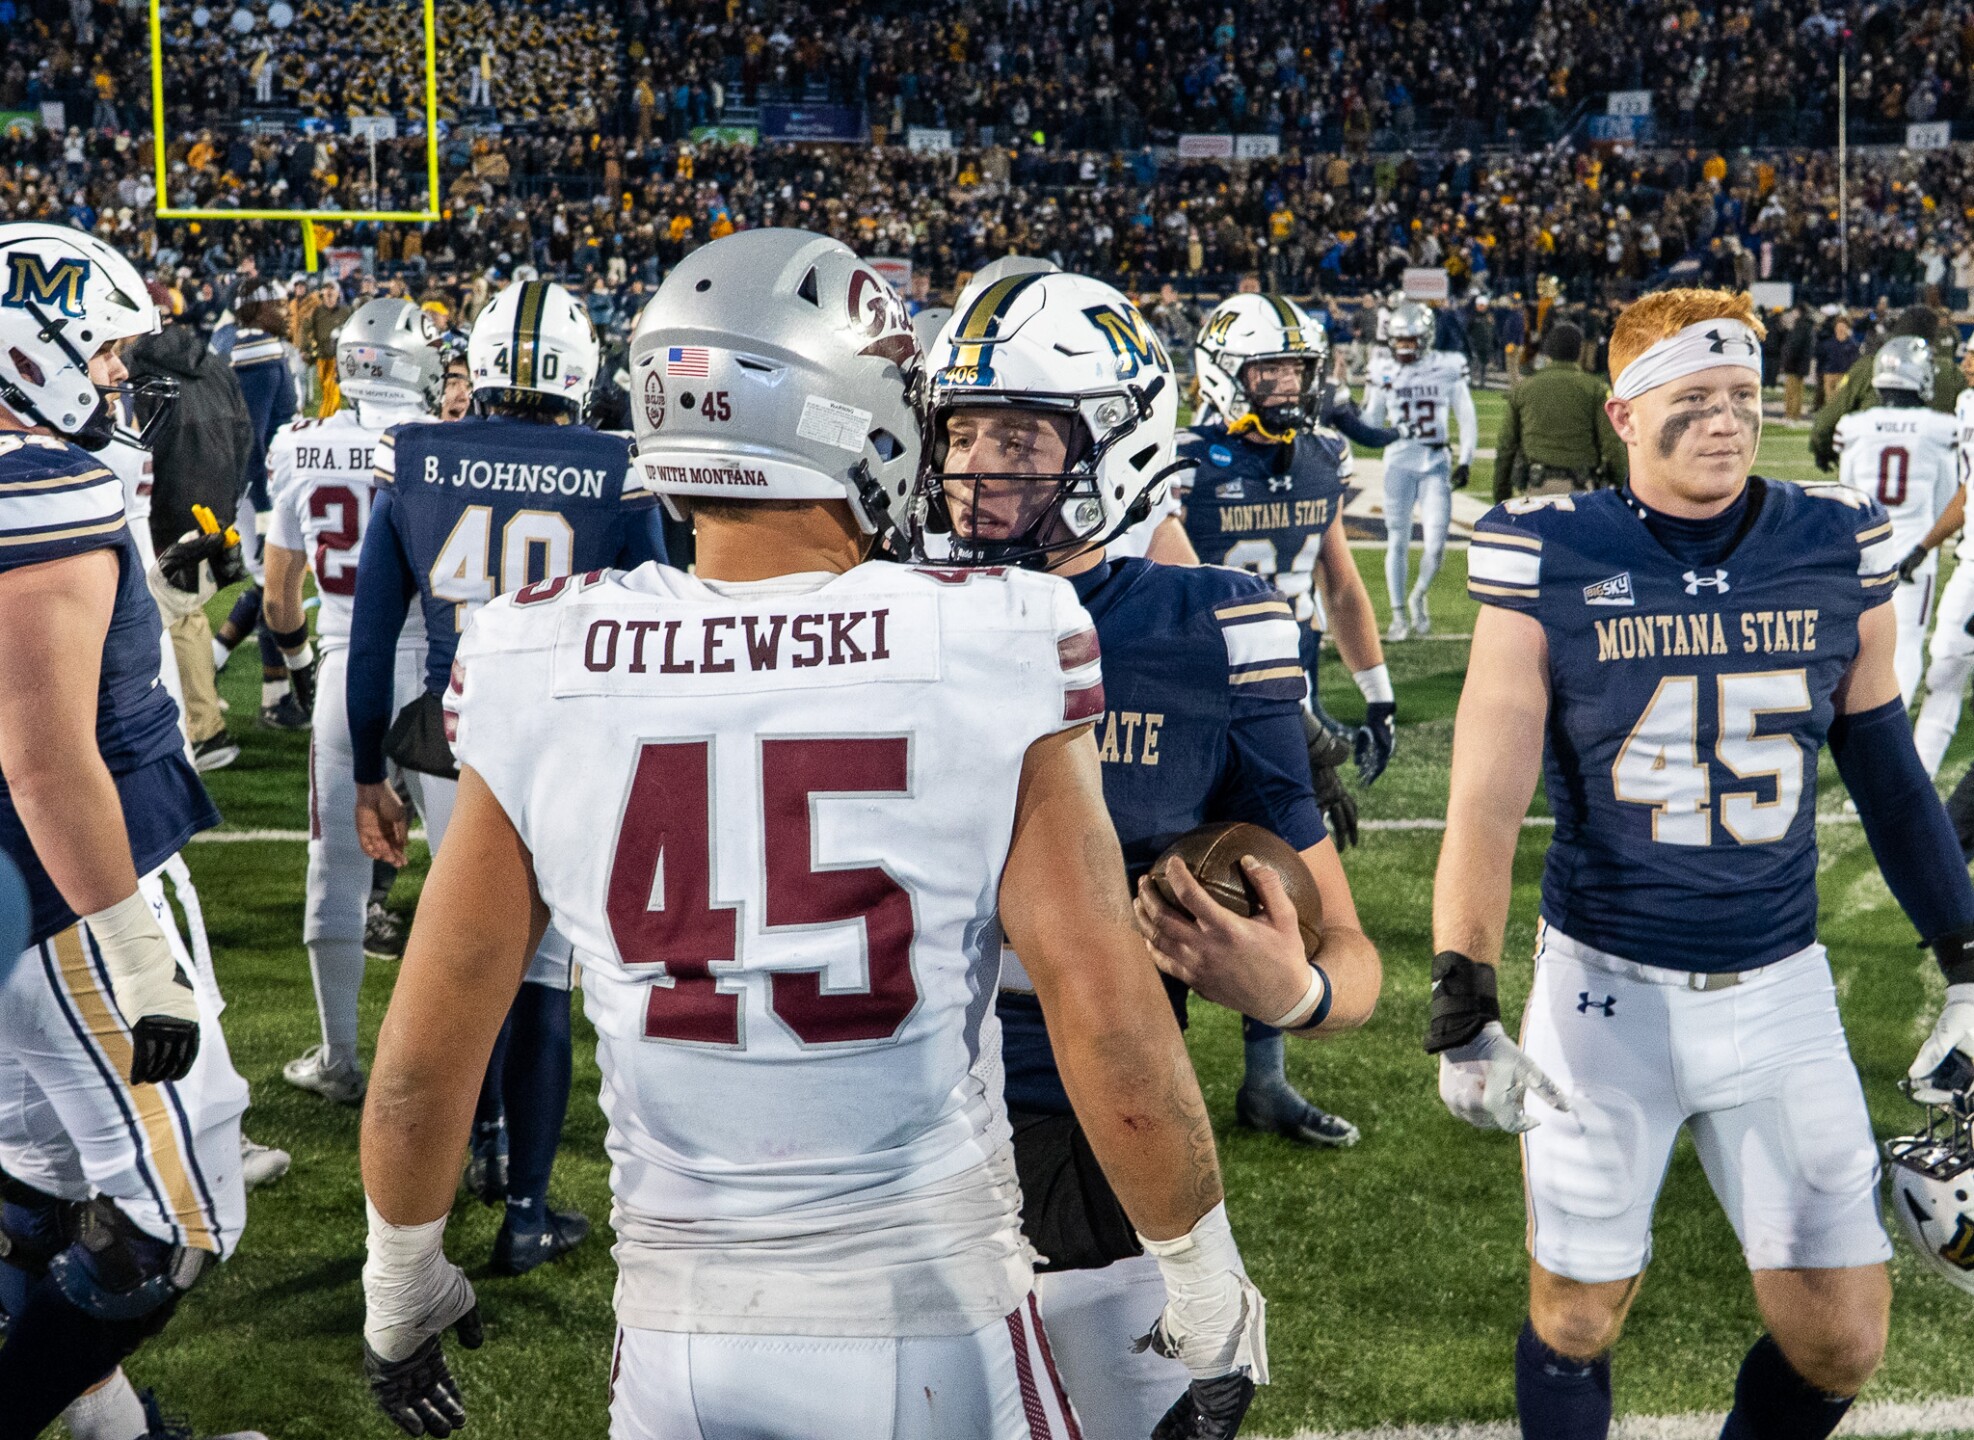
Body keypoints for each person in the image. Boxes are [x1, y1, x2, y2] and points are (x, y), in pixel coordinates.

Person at [357, 229, 1264, 1440]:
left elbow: (423, 1061)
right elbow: (1111, 1030)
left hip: (676, 1342)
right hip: (927, 1318)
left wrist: (401, 1283)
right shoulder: (994, 633)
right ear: (864, 418)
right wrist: (1205, 1288)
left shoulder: (538, 650)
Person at [1431, 286, 1974, 1440]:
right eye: (1694, 400)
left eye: (1740, 397)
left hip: (1781, 987)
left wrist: (1967, 955)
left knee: (1842, 1338)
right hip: (1604, 990)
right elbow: (1485, 792)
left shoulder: (1830, 545)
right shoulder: (1550, 552)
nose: (1726, 421)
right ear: (1625, 414)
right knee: (1578, 1317)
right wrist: (1463, 991)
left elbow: (1886, 768)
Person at [923, 265, 1379, 1436]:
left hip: (1097, 1133)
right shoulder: (877, 607)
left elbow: (1352, 960)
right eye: (960, 432)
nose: (976, 470)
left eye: (1020, 438)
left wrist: (1299, 988)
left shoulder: (1208, 629)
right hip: (887, 1131)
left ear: (1118, 441)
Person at [346, 277, 667, 1275]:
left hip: (454, 737)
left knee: (463, 950)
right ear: (582, 372)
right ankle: (527, 1206)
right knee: (538, 973)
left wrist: (367, 773)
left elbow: (370, 645)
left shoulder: (416, 458)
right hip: (571, 742)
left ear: (475, 367)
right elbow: (663, 615)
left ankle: (480, 1147)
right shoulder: (621, 469)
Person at [0, 223, 253, 1438]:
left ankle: (115, 1430)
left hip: (16, 902)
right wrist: (136, 948)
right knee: (176, 1216)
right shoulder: (38, 488)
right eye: (98, 352)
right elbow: (47, 760)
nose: (116, 378)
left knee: (37, 1177)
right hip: (65, 889)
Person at [1178, 290, 1395, 1147]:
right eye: (1267, 369)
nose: (1285, 387)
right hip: (1190, 697)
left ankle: (1266, 1082)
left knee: (1278, 891)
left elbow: (1338, 583)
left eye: (1296, 370)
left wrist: (1374, 692)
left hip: (1279, 708)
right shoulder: (1178, 461)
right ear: (1225, 372)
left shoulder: (1321, 456)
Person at [264, 298, 442, 1110]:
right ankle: (476, 1078)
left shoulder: (299, 446)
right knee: (479, 868)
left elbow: (277, 599)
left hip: (345, 669)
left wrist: (297, 667)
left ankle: (341, 1056)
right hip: (445, 676)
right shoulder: (441, 444)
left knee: (334, 869)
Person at [125, 291, 254, 772]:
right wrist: (223, 506)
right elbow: (244, 436)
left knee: (163, 622)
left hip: (160, 512)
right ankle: (202, 724)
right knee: (188, 618)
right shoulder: (214, 363)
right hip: (211, 509)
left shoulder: (132, 369)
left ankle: (196, 732)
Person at [1832, 336, 1957, 706]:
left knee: (1862, 644)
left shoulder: (1856, 425)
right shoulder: (1940, 428)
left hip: (1866, 552)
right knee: (1906, 644)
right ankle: (1893, 729)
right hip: (1913, 556)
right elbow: (1946, 497)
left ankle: (1858, 719)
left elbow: (1847, 492)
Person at [1362, 299, 1477, 639]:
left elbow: (1466, 415)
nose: (1403, 347)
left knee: (1436, 544)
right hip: (1398, 461)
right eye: (1399, 341)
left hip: (1435, 463)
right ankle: (1398, 616)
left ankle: (1418, 596)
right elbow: (1371, 422)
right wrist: (1352, 406)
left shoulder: (1449, 365)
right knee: (1396, 540)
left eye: (1410, 340)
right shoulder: (1383, 367)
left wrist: (1466, 458)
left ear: (1425, 338)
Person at [1908, 338, 1974, 777]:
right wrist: (1924, 545)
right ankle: (1916, 785)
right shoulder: (1967, 404)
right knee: (1945, 664)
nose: (1965, 363)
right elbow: (1968, 490)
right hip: (1971, 562)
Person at [1810, 306, 1963, 471]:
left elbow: (1825, 423)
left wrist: (1823, 452)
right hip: (1929, 475)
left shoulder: (1868, 367)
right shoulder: (1950, 372)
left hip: (1869, 474)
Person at [1490, 322, 1628, 502]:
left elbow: (1506, 446)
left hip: (1536, 488)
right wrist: (1622, 490)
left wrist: (1501, 494)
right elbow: (1612, 445)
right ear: (1579, 352)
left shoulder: (1524, 388)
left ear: (1548, 351)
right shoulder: (1595, 389)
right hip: (1581, 490)